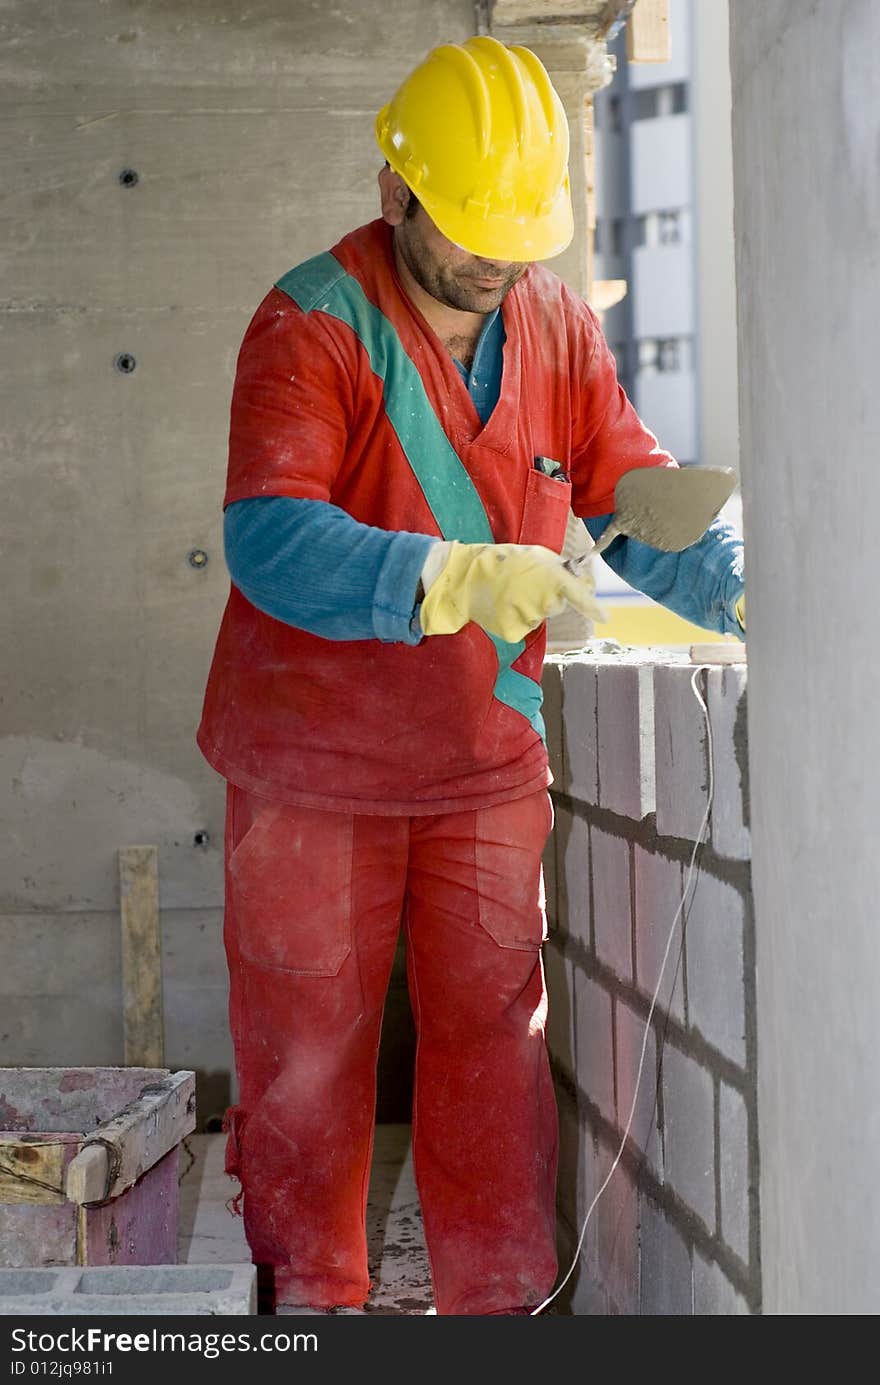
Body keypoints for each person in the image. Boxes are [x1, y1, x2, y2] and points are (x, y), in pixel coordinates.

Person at [197, 34, 745, 1317]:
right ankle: (311, 1313)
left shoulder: (549, 319)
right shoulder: (310, 324)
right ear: (397, 197)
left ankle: (496, 1315)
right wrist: (447, 578)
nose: (499, 268)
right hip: (311, 775)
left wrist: (740, 582)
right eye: (473, 240)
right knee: (307, 1070)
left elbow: (627, 499)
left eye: (520, 242)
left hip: (482, 766)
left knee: (495, 1056)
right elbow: (265, 536)